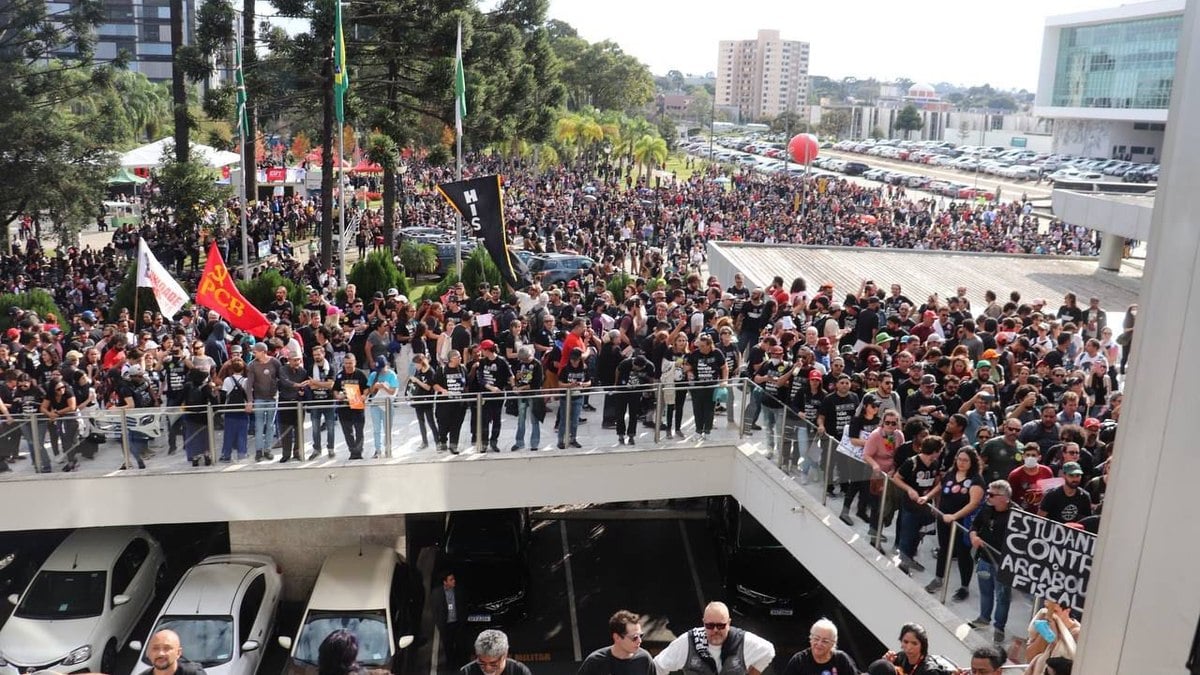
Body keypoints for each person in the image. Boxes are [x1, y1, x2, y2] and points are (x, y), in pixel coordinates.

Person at [925, 447, 985, 600]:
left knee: (963, 553)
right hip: (944, 519)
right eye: (960, 459)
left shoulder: (976, 480)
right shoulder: (951, 473)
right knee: (944, 549)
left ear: (972, 462)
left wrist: (955, 516)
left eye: (965, 460)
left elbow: (973, 504)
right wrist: (927, 497)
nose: (962, 463)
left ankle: (964, 587)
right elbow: (940, 487)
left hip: (963, 523)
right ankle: (939, 578)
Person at [652, 601, 775, 675]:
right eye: (710, 625)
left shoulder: (743, 641)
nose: (715, 630)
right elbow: (658, 665)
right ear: (703, 622)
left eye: (721, 625)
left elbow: (768, 651)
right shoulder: (688, 642)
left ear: (729, 623)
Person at [968, 480, 1015, 644]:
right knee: (985, 591)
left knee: (1002, 597)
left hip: (1004, 565)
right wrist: (973, 536)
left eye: (992, 495)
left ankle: (999, 627)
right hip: (985, 559)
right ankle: (983, 618)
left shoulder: (1017, 515)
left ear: (1005, 498)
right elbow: (975, 525)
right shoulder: (987, 509)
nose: (988, 497)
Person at [577, 609, 655, 675]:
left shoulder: (645, 659)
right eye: (634, 637)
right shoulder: (595, 661)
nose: (639, 641)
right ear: (617, 637)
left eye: (640, 636)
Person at [779, 618, 858, 675]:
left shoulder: (841, 659)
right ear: (810, 639)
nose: (819, 644)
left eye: (825, 641)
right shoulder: (799, 660)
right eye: (816, 639)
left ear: (833, 643)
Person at [244, 342, 281, 462]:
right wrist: (250, 400)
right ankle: (259, 451)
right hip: (259, 397)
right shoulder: (252, 365)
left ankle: (268, 449)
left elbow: (280, 378)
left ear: (263, 352)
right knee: (259, 426)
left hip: (272, 397)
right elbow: (249, 384)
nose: (253, 353)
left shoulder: (275, 362)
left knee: (270, 425)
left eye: (255, 352)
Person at [475, 340, 513, 453]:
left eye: (482, 349)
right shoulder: (482, 362)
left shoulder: (501, 361)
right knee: (485, 419)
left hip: (498, 395)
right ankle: (484, 442)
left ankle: (494, 441)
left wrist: (513, 385)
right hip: (486, 394)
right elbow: (480, 378)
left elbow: (510, 375)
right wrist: (490, 387)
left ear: (488, 350)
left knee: (497, 418)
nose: (481, 352)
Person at [881, 623, 956, 675]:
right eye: (905, 642)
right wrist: (886, 664)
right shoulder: (900, 657)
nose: (909, 648)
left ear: (922, 645)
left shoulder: (929, 671)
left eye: (914, 643)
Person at [614, 351, 655, 445]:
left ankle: (631, 435)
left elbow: (651, 379)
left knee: (634, 414)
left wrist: (650, 389)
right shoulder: (626, 363)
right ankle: (620, 434)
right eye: (634, 367)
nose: (635, 369)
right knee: (620, 413)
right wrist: (616, 384)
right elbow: (618, 370)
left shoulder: (649, 366)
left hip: (636, 392)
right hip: (623, 391)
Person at [179, 368, 217, 466]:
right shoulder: (206, 387)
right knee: (205, 437)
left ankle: (195, 457)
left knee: (192, 437)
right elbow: (214, 401)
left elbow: (179, 399)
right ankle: (207, 455)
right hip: (204, 416)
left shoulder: (187, 386)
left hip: (190, 416)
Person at [434, 350, 470, 453]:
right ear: (451, 359)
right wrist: (442, 390)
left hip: (459, 403)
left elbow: (466, 384)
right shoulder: (442, 370)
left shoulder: (462, 369)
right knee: (443, 424)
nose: (460, 358)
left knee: (457, 424)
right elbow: (435, 384)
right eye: (458, 357)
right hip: (445, 404)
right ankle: (443, 441)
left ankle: (454, 445)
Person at [431, 571, 467, 670]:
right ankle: (450, 666)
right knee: (448, 647)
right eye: (451, 580)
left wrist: (462, 620)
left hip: (457, 623)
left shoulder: (459, 591)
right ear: (445, 582)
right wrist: (439, 625)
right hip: (446, 625)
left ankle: (460, 664)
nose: (454, 581)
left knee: (460, 645)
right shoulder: (436, 593)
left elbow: (463, 606)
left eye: (454, 579)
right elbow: (435, 611)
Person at [306, 344, 337, 459]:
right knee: (315, 428)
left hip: (328, 402)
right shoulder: (310, 368)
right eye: (314, 355)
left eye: (318, 354)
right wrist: (320, 384)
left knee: (330, 427)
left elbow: (331, 385)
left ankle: (331, 449)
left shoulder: (331, 367)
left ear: (323, 354)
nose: (316, 357)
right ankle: (316, 449)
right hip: (315, 402)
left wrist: (316, 383)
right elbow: (310, 386)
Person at [557, 347, 591, 449]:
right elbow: (559, 383)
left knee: (575, 420)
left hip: (578, 397)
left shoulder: (584, 368)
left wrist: (582, 384)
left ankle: (573, 438)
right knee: (563, 420)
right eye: (572, 359)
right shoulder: (565, 368)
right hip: (566, 397)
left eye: (576, 360)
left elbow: (589, 382)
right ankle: (560, 440)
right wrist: (569, 385)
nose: (574, 362)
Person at [366, 355, 399, 458]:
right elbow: (369, 391)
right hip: (375, 404)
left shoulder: (392, 375)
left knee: (387, 428)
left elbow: (393, 392)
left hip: (387, 404)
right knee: (376, 429)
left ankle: (388, 448)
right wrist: (374, 387)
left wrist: (384, 386)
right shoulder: (373, 375)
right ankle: (377, 450)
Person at [460, 629, 531, 675]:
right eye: (482, 663)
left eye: (493, 664)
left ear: (505, 655)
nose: (488, 668)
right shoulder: (466, 672)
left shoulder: (519, 671)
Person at [219, 359, 251, 463]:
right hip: (242, 409)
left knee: (228, 433)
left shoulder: (227, 380)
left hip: (230, 409)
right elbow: (249, 395)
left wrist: (222, 407)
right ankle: (242, 453)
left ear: (231, 369)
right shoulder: (246, 381)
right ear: (243, 369)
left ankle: (226, 454)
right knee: (242, 432)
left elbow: (223, 395)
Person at [140, 628, 207, 675]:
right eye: (155, 648)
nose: (160, 653)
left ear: (178, 653)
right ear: (148, 653)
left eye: (166, 648)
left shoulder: (193, 673)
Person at [408, 353, 439, 450]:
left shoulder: (430, 372)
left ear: (421, 363)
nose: (415, 366)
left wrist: (417, 381)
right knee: (421, 421)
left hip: (427, 399)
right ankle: (424, 441)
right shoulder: (418, 371)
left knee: (431, 421)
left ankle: (437, 441)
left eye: (416, 364)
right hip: (418, 399)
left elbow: (428, 387)